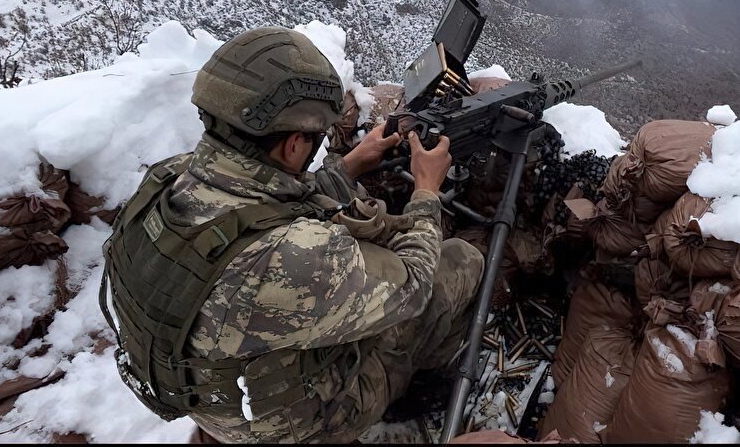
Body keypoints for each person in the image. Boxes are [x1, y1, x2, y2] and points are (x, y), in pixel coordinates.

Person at [100, 26, 484, 443]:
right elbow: (414, 287)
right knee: (460, 260)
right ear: (292, 145)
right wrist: (426, 191)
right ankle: (415, 388)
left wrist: (348, 165)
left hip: (213, 395)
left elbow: (260, 204)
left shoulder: (168, 179)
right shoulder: (293, 259)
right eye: (313, 140)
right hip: (294, 426)